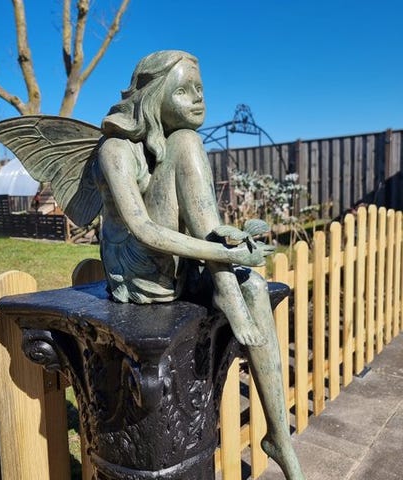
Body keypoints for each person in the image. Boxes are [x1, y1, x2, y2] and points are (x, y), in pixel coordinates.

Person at [94, 50, 304, 479]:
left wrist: (228, 242)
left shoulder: (168, 144)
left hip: (178, 263)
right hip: (141, 274)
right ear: (154, 96)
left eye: (200, 89)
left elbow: (186, 212)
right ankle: (227, 290)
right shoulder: (115, 149)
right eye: (183, 91)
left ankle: (278, 436)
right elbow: (144, 230)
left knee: (254, 287)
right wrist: (226, 254)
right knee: (188, 141)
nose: (198, 99)